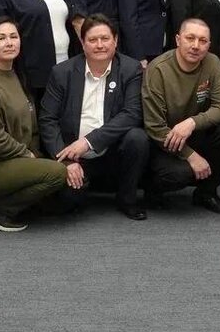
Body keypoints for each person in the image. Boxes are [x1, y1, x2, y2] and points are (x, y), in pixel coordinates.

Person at [0, 17, 67, 232]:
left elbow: (30, 126)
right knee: (57, 174)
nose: (9, 43)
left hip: (12, 158)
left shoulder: (16, 74)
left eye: (13, 37)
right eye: (1, 38)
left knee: (68, 189)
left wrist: (39, 155)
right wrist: (27, 155)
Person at [39, 15, 149, 220]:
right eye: (92, 40)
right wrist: (65, 161)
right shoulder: (62, 72)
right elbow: (48, 120)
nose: (99, 45)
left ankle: (127, 199)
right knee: (68, 202)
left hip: (112, 151)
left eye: (105, 39)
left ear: (115, 40)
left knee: (138, 137)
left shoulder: (130, 69)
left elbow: (132, 113)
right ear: (82, 43)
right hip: (74, 156)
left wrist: (88, 142)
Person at [142, 18, 220, 214]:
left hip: (193, 133)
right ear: (178, 40)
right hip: (163, 141)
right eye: (190, 38)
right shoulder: (158, 69)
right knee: (181, 174)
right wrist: (191, 156)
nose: (196, 46)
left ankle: (207, 193)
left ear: (209, 45)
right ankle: (152, 190)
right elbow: (154, 126)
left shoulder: (212, 62)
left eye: (203, 41)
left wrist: (192, 122)